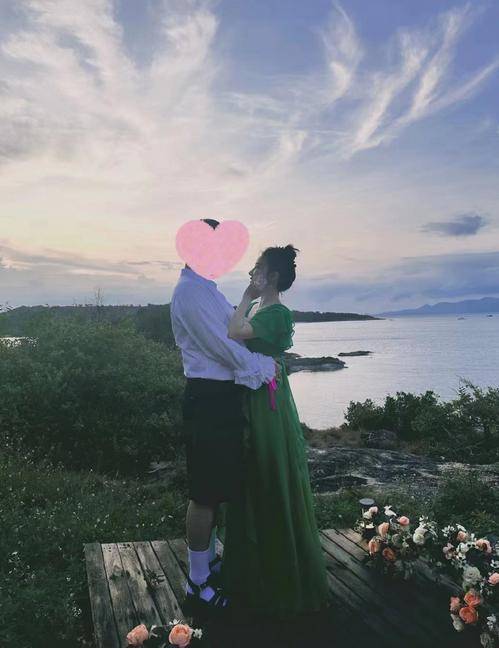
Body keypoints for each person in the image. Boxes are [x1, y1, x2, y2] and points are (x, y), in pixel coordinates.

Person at [169, 218, 281, 615]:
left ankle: (209, 562)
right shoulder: (190, 293)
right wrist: (264, 368)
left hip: (221, 399)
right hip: (208, 399)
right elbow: (223, 347)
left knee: (217, 490)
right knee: (204, 494)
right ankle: (197, 582)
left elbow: (235, 331)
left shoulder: (206, 289)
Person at [218, 244, 332, 621]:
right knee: (251, 474)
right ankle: (252, 571)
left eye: (259, 267)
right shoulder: (259, 308)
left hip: (266, 401)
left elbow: (234, 332)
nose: (253, 272)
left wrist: (245, 296)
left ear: (274, 276)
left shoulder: (277, 312)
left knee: (268, 468)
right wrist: (248, 300)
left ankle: (279, 570)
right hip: (253, 393)